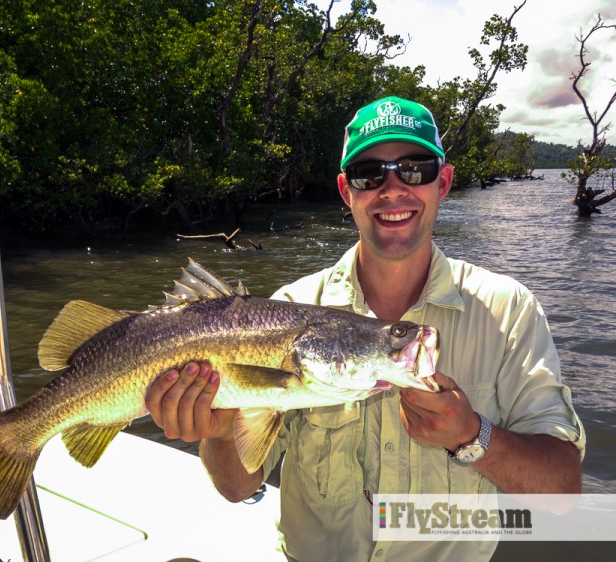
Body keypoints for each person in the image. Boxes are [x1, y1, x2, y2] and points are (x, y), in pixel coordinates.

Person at [144, 96, 585, 561]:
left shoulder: (509, 310)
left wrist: (471, 435)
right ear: (345, 190)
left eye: (415, 169)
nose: (392, 189)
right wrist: (215, 430)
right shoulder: (289, 307)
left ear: (445, 181)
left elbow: (561, 491)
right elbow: (237, 487)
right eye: (369, 173)